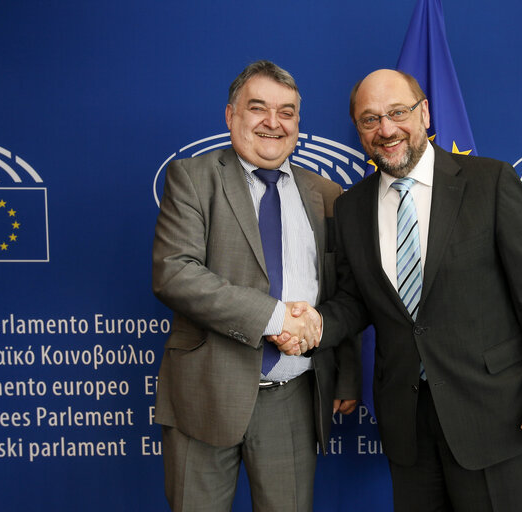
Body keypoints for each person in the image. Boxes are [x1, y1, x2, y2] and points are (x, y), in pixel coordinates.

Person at [292, 69, 522, 511]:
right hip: (407, 424)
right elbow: (355, 302)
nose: (386, 130)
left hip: (494, 417)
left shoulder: (491, 183)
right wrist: (314, 324)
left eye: (397, 112)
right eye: (370, 120)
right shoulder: (351, 207)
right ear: (358, 130)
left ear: (424, 112)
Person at [152, 60, 360, 512]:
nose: (273, 122)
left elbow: (341, 292)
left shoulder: (326, 194)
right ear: (231, 116)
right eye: (258, 108)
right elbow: (175, 272)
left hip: (293, 398)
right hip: (204, 393)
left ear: (298, 125)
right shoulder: (192, 178)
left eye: (287, 112)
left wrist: (345, 373)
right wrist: (275, 317)